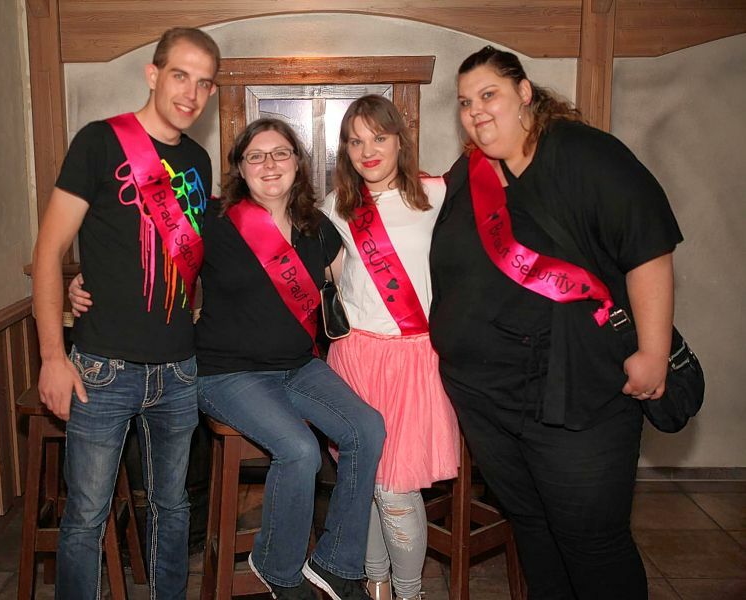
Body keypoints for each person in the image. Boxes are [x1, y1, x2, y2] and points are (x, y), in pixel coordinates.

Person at [428, 46, 683, 599]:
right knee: (534, 529)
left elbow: (649, 249)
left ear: (525, 93)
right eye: (466, 102)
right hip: (489, 400)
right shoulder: (472, 170)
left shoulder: (583, 154)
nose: (475, 111)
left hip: (575, 394)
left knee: (592, 542)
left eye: (489, 94)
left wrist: (654, 352)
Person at [31, 27, 220, 600]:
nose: (191, 93)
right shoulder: (99, 142)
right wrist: (52, 357)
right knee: (86, 517)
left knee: (173, 509)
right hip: (102, 370)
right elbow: (48, 253)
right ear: (153, 74)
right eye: (180, 75)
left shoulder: (199, 161)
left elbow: (186, 264)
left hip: (178, 370)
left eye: (204, 83)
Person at [196, 118, 385, 600]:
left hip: (299, 367)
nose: (269, 164)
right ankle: (277, 569)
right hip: (228, 374)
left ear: (298, 163)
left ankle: (337, 563)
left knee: (367, 428)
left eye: (280, 153)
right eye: (256, 156)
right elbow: (157, 263)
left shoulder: (315, 227)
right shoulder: (214, 220)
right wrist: (89, 281)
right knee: (300, 449)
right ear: (240, 167)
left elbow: (357, 283)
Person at [320, 95, 460, 600]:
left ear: (401, 139)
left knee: (394, 488)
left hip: (413, 361)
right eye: (355, 141)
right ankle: (376, 585)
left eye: (379, 137)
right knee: (367, 483)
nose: (368, 151)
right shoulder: (334, 207)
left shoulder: (437, 195)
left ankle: (409, 592)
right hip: (355, 360)